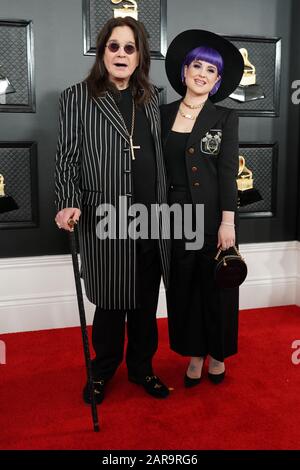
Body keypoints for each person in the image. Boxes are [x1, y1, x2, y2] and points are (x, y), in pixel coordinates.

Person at [54, 17, 170, 404]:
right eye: (114, 46)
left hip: (152, 217)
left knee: (144, 302)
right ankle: (102, 371)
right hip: (104, 215)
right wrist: (67, 200)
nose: (121, 54)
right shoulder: (78, 96)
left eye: (129, 47)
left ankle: (142, 369)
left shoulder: (155, 97)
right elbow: (67, 158)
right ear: (102, 51)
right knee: (109, 303)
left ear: (140, 56)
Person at [160, 30, 243, 386]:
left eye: (211, 70)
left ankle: (219, 354)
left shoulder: (224, 119)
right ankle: (195, 354)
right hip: (174, 218)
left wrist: (229, 222)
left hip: (213, 217)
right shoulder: (160, 115)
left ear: (218, 80)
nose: (202, 73)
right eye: (197, 65)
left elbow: (227, 172)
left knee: (217, 288)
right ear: (184, 71)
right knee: (185, 288)